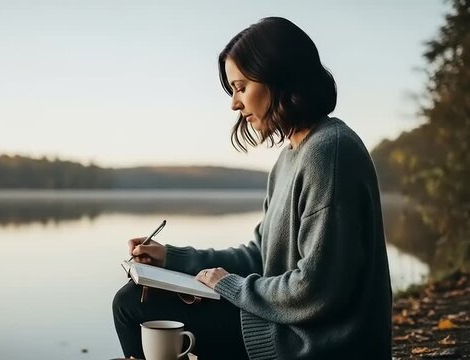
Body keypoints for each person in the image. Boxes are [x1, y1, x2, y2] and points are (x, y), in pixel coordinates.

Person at [112, 17, 392, 360]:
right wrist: (171, 257)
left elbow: (315, 290)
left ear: (279, 77)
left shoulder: (329, 153)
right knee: (136, 295)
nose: (233, 103)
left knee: (132, 306)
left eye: (241, 87)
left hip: (315, 343)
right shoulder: (291, 156)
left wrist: (228, 286)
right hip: (285, 326)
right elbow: (259, 256)